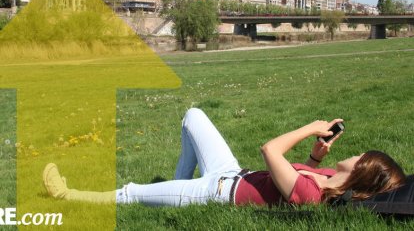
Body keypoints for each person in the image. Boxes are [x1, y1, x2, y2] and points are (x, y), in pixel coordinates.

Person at [43, 108, 406, 207]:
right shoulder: (324, 178)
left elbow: (270, 151)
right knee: (193, 115)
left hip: (216, 191)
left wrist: (310, 128)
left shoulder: (313, 198)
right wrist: (312, 158)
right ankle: (179, 183)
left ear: (362, 169)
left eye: (361, 155)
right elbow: (289, 176)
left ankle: (67, 195)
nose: (356, 152)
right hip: (230, 172)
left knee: (134, 192)